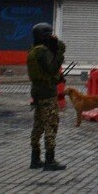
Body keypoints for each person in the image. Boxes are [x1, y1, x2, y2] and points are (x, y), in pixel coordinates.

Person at [26, 22, 66, 171]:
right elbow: (51, 68)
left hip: (37, 91)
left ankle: (35, 158)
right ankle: (50, 159)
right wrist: (60, 50)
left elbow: (43, 72)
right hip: (47, 92)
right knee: (51, 124)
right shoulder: (43, 51)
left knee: (38, 125)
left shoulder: (33, 50)